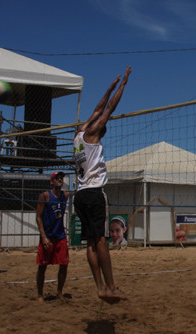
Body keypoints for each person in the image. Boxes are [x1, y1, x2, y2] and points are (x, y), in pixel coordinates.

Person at [73, 66, 131, 304]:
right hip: (95, 193)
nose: (97, 118)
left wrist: (110, 86)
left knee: (90, 243)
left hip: (79, 195)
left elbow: (99, 108)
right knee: (102, 242)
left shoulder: (79, 133)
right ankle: (111, 287)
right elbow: (108, 109)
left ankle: (100, 287)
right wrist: (123, 84)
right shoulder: (94, 133)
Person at [36, 171, 69, 302]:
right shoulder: (45, 196)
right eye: (57, 178)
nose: (60, 179)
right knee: (42, 266)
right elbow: (38, 217)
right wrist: (43, 236)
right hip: (48, 236)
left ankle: (59, 293)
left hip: (60, 235)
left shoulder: (65, 196)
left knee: (64, 264)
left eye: (61, 177)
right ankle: (40, 294)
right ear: (51, 181)